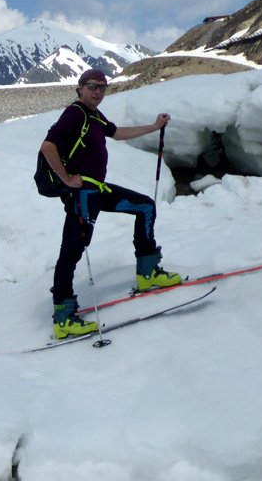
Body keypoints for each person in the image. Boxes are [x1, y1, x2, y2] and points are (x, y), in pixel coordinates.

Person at [39, 69, 181, 340]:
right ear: (80, 88)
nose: (98, 91)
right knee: (72, 251)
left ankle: (147, 274)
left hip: (97, 190)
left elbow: (116, 132)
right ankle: (63, 317)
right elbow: (48, 146)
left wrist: (154, 127)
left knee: (145, 207)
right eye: (92, 86)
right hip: (83, 194)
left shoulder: (93, 115)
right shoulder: (75, 113)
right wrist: (67, 179)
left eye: (103, 87)